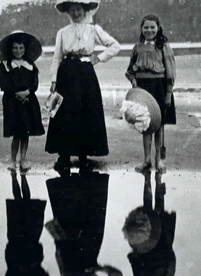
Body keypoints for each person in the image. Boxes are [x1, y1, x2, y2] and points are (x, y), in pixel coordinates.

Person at [45, 0, 120, 173]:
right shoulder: (62, 32)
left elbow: (114, 46)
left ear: (85, 11)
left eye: (78, 9)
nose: (75, 13)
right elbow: (57, 57)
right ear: (68, 12)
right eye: (72, 10)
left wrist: (98, 58)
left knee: (86, 112)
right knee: (64, 114)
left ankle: (83, 156)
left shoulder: (94, 29)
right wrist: (54, 79)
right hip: (66, 72)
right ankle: (63, 157)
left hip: (85, 73)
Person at [125, 14, 176, 173]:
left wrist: (168, 93)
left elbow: (170, 72)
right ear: (141, 29)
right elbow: (130, 70)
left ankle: (158, 161)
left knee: (159, 126)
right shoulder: (137, 47)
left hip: (159, 88)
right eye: (146, 27)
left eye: (152, 27)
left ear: (158, 28)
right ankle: (146, 160)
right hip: (142, 90)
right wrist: (133, 80)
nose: (149, 30)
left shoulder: (164, 47)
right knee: (145, 124)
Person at [0, 31, 45, 173]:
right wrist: (17, 93)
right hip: (12, 102)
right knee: (16, 133)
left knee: (25, 132)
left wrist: (27, 92)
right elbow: (3, 84)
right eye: (15, 48)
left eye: (21, 48)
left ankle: (23, 159)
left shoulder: (30, 65)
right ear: (10, 49)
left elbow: (35, 84)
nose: (18, 51)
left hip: (28, 101)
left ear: (25, 49)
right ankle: (12, 160)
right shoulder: (5, 65)